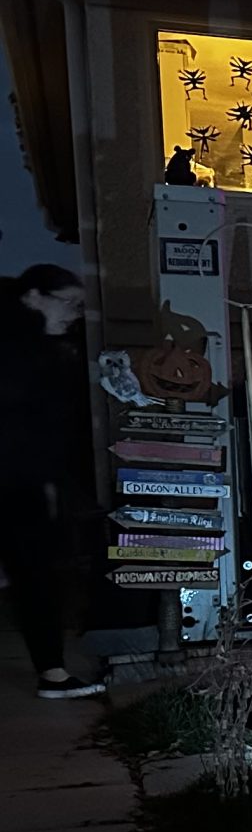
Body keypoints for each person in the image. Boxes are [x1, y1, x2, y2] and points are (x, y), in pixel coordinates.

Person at [0, 264, 102, 697]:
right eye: (70, 303)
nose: (75, 314)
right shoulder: (17, 350)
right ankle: (52, 671)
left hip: (28, 480)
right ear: (34, 296)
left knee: (37, 576)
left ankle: (53, 671)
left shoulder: (49, 348)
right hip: (17, 478)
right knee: (35, 574)